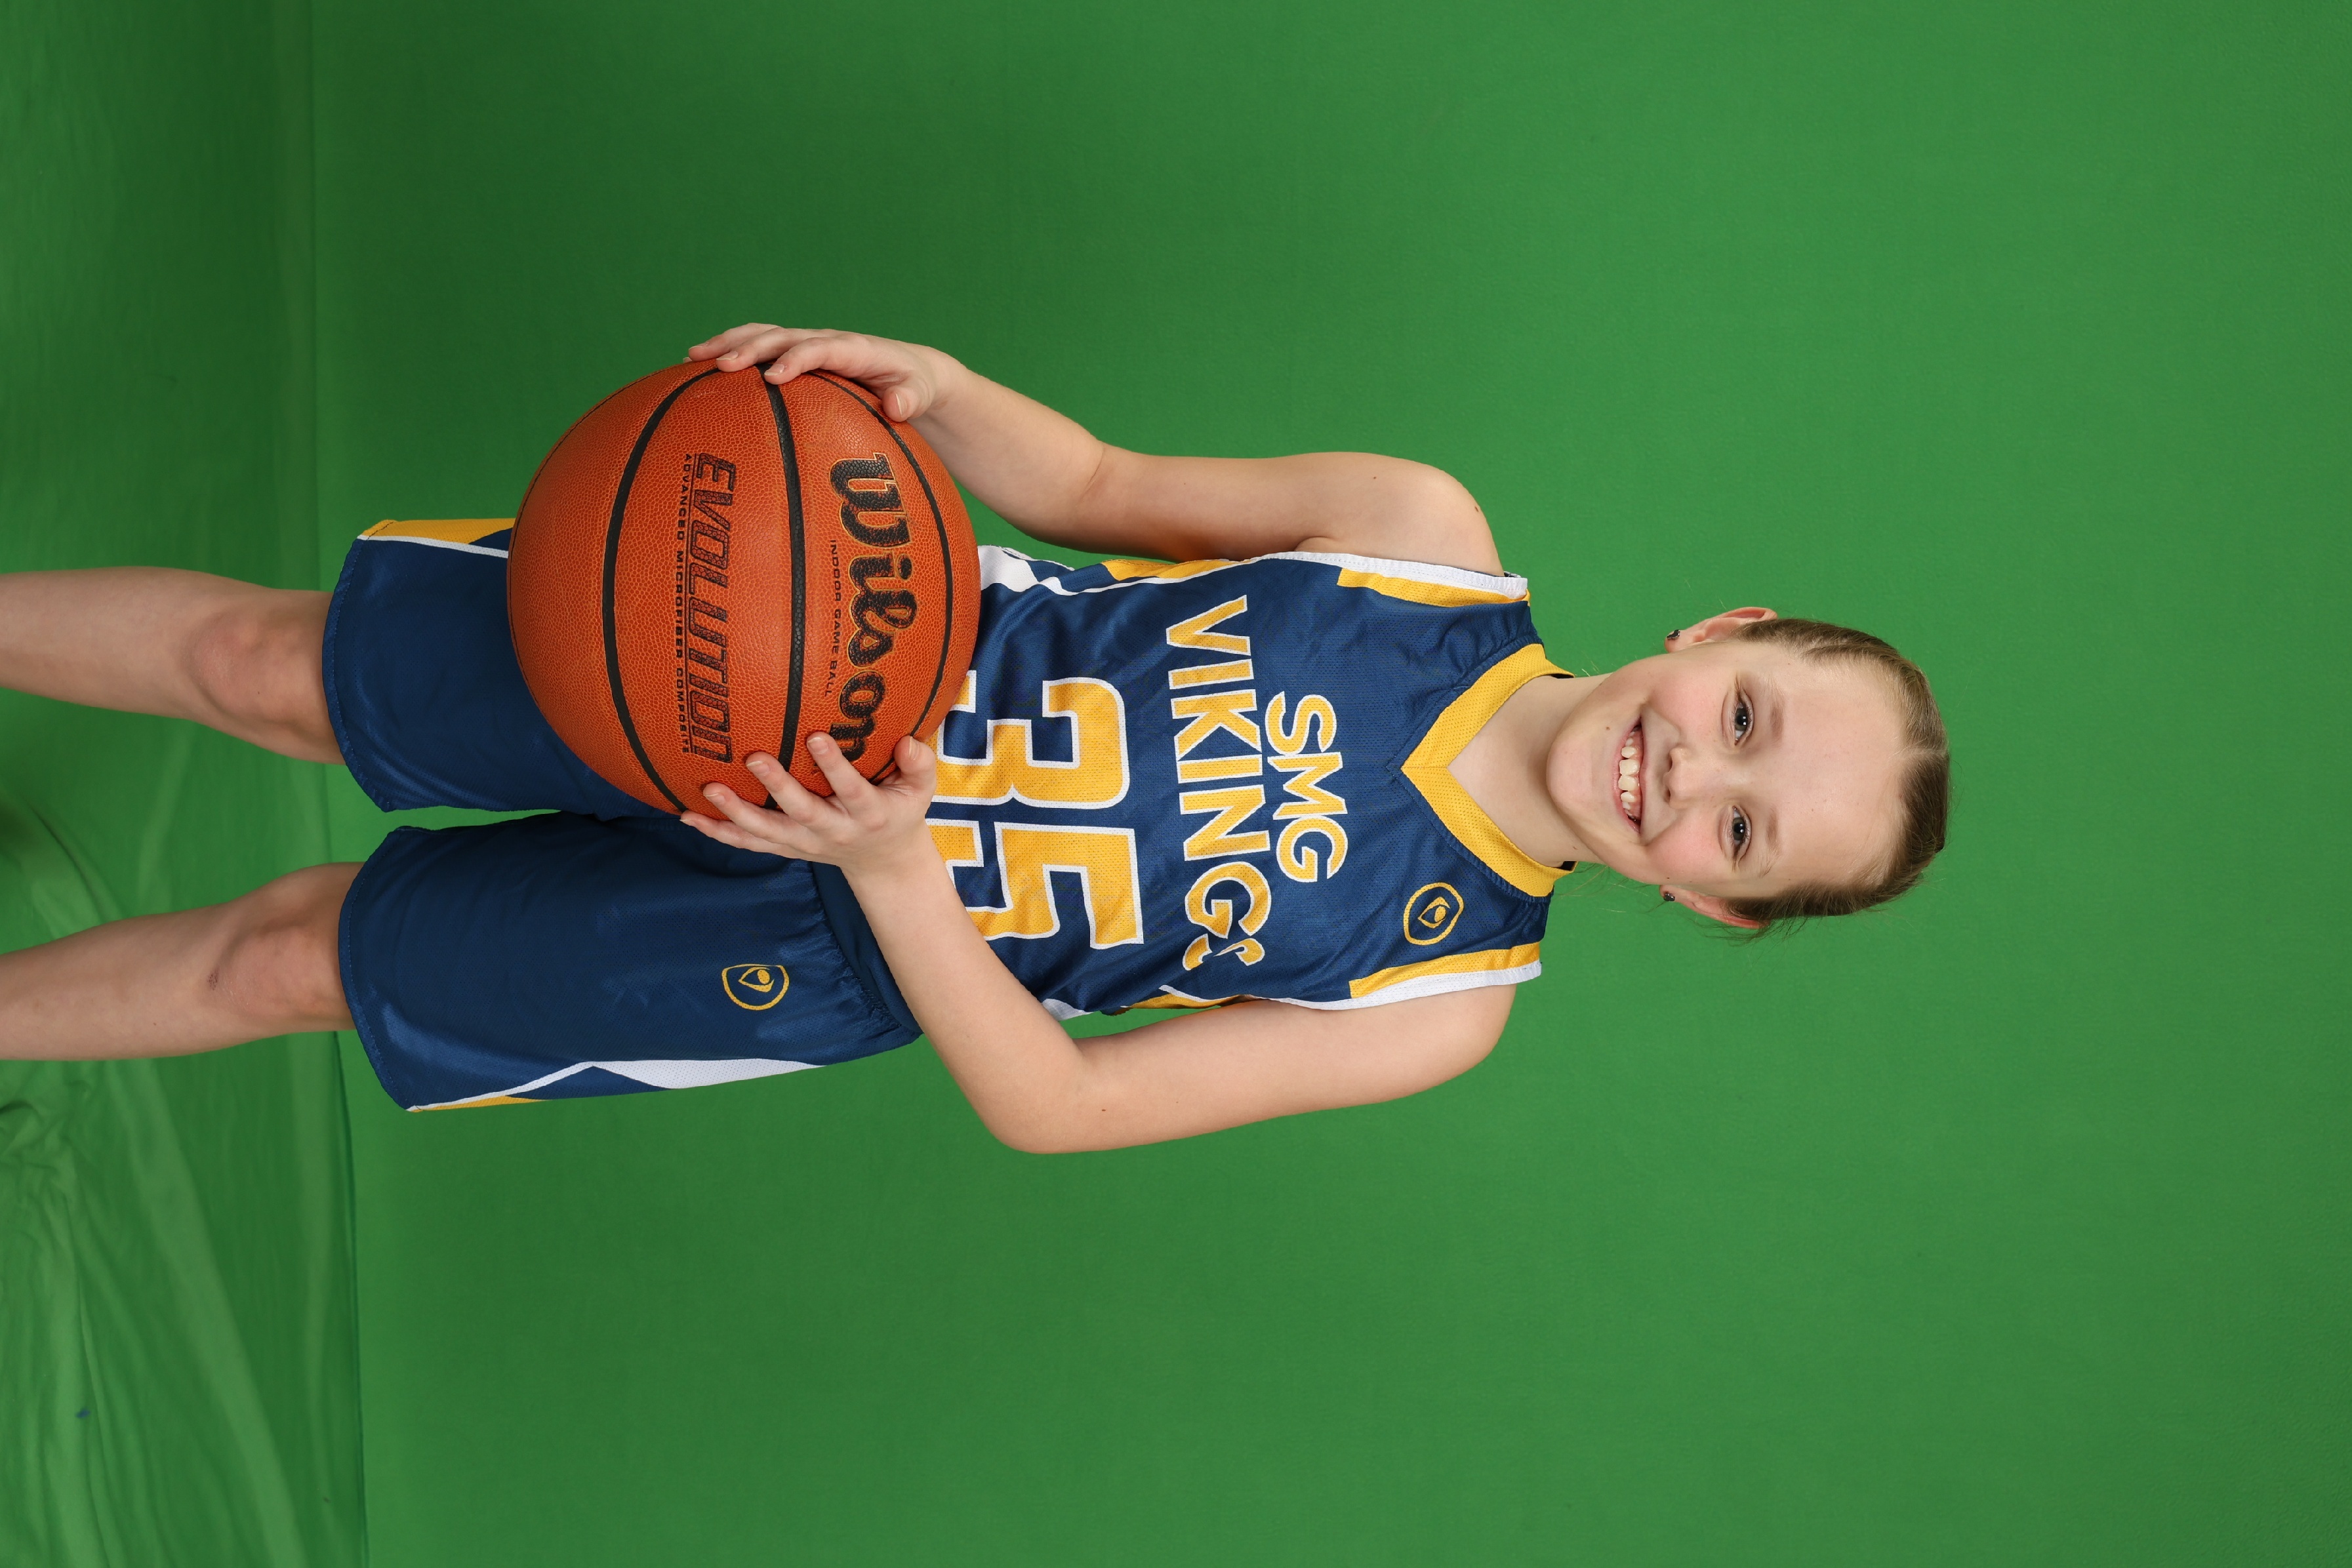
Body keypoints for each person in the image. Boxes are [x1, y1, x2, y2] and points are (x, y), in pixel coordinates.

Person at [0, 325, 1949, 1150]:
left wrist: (893, 870)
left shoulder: (1438, 1004)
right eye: (1747, 718)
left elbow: (1065, 1104)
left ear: (1716, 909)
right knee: (272, 665)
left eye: (1744, 831)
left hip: (810, 941)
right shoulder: (1414, 541)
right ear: (1720, 633)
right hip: (796, 639)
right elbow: (1094, 486)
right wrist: (938, 391)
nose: (1693, 774)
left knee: (294, 958)